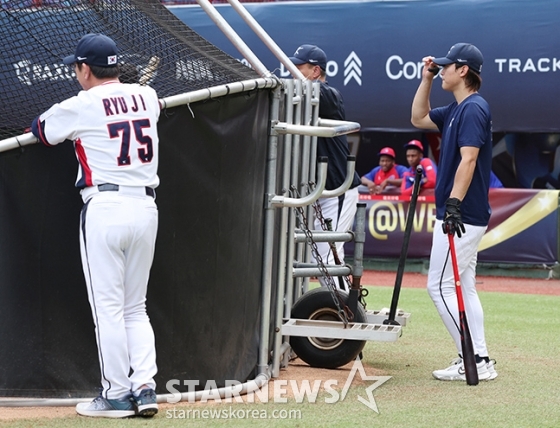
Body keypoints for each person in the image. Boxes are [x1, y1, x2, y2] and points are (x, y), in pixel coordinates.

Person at [31, 34, 160, 417]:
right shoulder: (148, 98)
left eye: (78, 67)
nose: (76, 72)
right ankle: (146, 387)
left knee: (109, 309)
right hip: (146, 206)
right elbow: (136, 105)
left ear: (86, 68)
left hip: (105, 206)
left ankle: (117, 395)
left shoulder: (81, 103)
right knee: (136, 308)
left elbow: (40, 130)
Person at [410, 42, 497, 381]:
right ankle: (480, 357)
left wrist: (454, 205)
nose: (441, 69)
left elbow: (470, 159)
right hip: (463, 212)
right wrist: (426, 78)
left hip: (461, 214)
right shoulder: (457, 108)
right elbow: (418, 117)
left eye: (447, 66)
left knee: (439, 286)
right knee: (466, 286)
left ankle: (472, 358)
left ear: (464, 71)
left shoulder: (474, 107)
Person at [289, 44, 361, 290]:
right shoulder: (301, 94)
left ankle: (348, 317)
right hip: (317, 192)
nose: (293, 72)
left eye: (299, 68)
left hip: (338, 188)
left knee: (328, 259)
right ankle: (337, 312)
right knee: (314, 259)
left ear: (316, 71)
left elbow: (316, 93)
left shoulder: (328, 94)